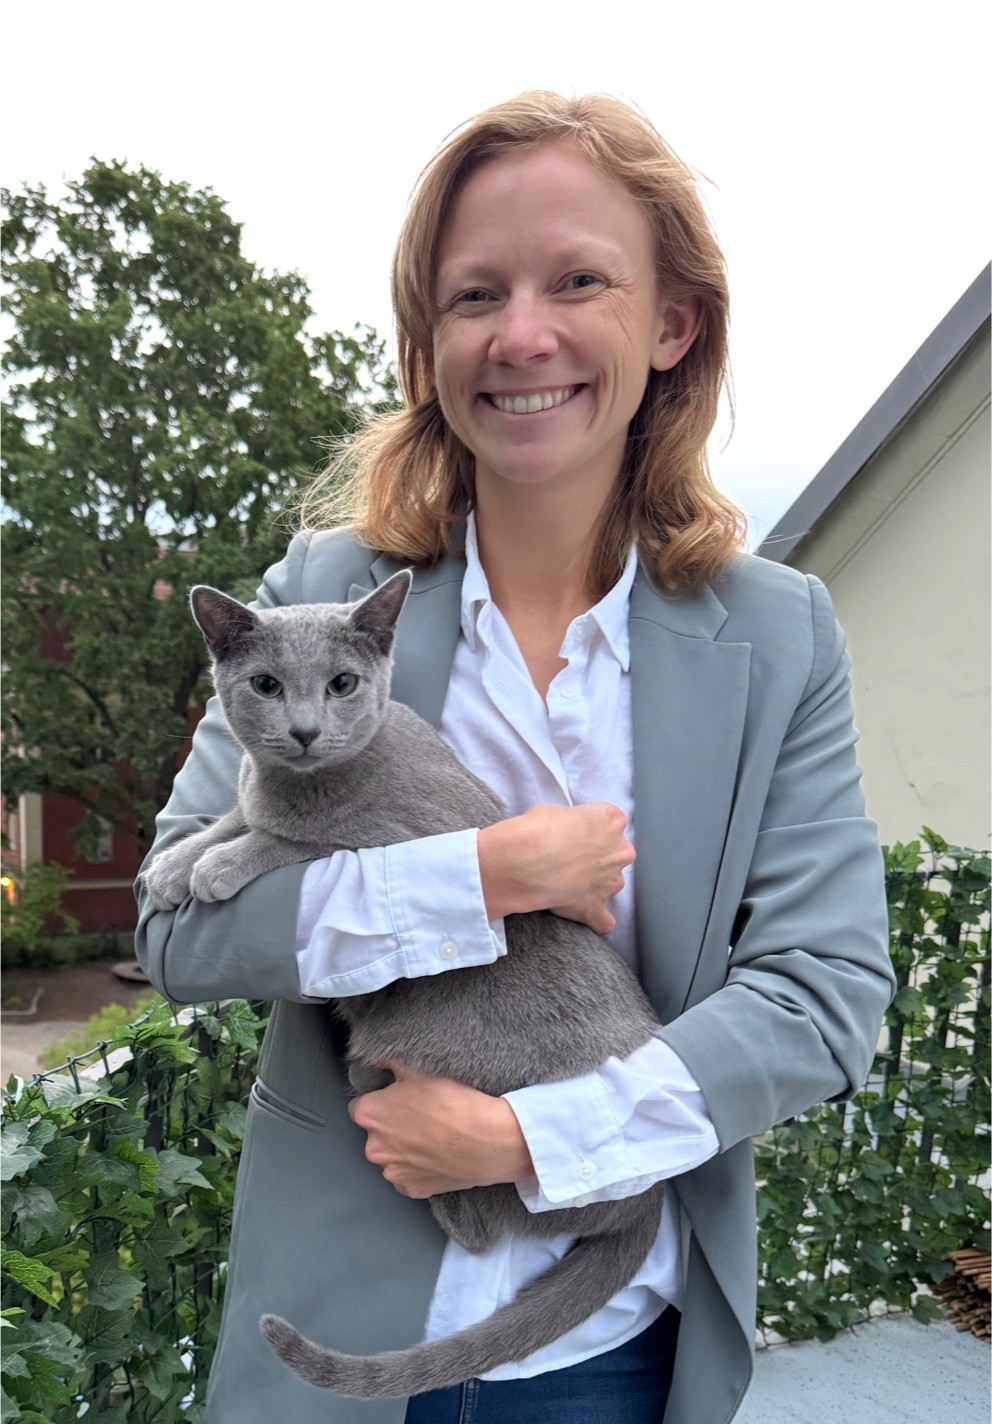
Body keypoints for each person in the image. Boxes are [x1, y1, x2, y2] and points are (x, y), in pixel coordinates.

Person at [135, 91, 895, 1424]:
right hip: (336, 1331)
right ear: (427, 347)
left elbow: (826, 990)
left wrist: (529, 1142)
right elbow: (177, 932)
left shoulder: (779, 635)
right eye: (475, 294)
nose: (523, 334)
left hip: (612, 1342)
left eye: (579, 281)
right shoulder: (326, 594)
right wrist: (477, 876)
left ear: (673, 323)